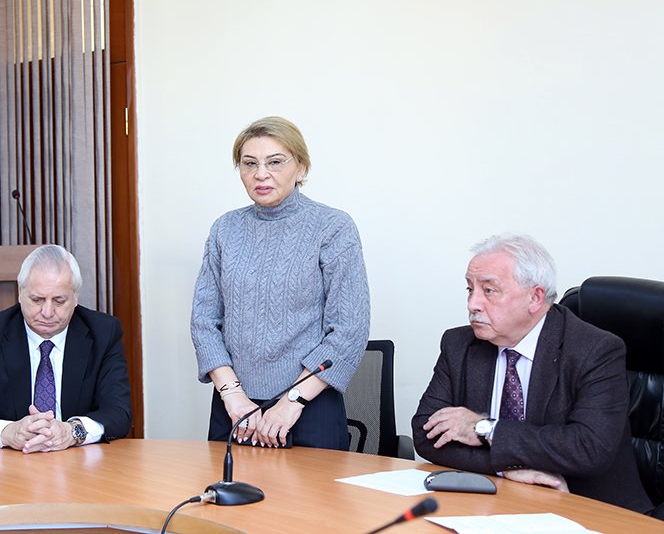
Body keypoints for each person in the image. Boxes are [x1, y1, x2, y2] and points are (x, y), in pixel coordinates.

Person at [412, 234, 652, 513]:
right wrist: (506, 469)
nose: (473, 304)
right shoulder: (459, 345)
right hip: (495, 506)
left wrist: (484, 428)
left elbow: (588, 447)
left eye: (488, 290)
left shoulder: (595, 350)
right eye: (470, 289)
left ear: (535, 297)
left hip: (590, 510)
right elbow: (426, 434)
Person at [190, 116, 371, 449]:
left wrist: (291, 402)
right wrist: (233, 395)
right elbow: (204, 322)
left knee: (308, 487)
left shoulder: (333, 227)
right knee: (227, 484)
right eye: (250, 164)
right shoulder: (225, 229)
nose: (261, 174)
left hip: (308, 406)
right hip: (235, 407)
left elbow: (349, 329)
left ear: (301, 167)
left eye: (275, 162)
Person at [0, 244, 132, 452]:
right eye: (37, 299)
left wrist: (72, 431)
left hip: (78, 462)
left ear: (75, 298)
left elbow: (119, 413)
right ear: (20, 293)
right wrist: (8, 432)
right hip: (9, 464)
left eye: (59, 301)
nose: (47, 312)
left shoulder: (103, 333)